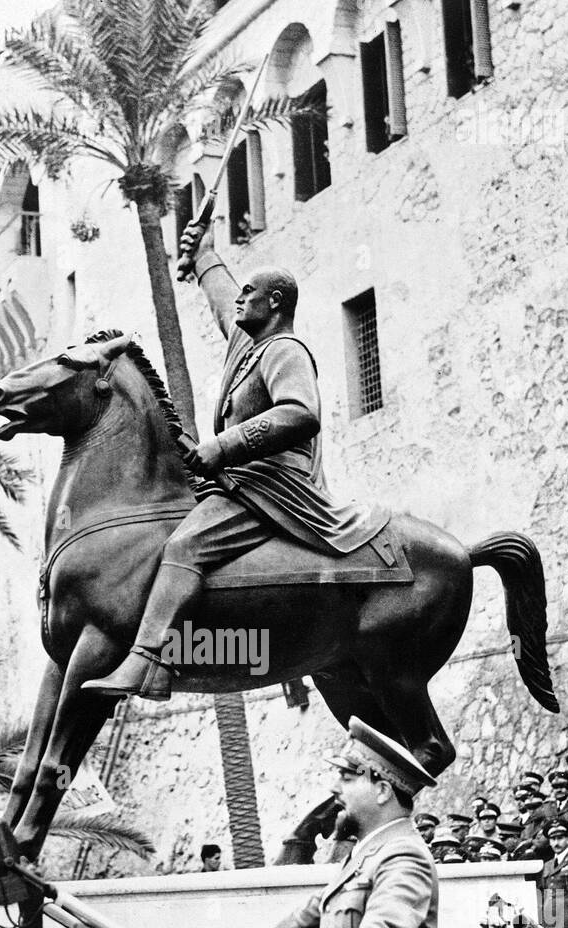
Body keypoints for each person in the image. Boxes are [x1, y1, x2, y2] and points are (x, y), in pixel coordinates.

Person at [83, 220, 375, 701]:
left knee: (184, 547)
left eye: (250, 294)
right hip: (244, 483)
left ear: (275, 303)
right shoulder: (249, 348)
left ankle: (147, 664)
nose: (239, 300)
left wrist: (221, 447)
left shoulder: (285, 350)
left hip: (273, 488)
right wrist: (204, 255)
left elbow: (302, 413)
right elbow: (223, 297)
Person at [256, 718, 439, 928]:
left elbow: (386, 922)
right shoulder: (363, 855)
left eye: (347, 777)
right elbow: (307, 922)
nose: (334, 787)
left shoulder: (405, 856)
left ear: (382, 790)